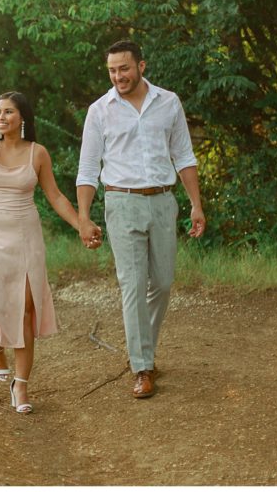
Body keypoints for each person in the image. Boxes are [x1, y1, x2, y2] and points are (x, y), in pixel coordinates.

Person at [0, 91, 102, 414]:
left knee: (24, 310)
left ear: (22, 117)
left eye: (8, 112)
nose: (1, 117)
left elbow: (56, 197)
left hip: (25, 237)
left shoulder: (38, 153)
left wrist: (82, 224)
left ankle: (20, 385)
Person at [76, 41, 206, 399]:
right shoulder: (99, 111)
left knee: (162, 283)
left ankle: (142, 349)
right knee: (132, 284)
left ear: (141, 66)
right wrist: (83, 218)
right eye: (112, 70)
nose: (118, 76)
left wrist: (196, 204)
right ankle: (142, 366)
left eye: (124, 69)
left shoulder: (168, 102)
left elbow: (183, 155)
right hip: (121, 201)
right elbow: (88, 168)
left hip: (163, 201)